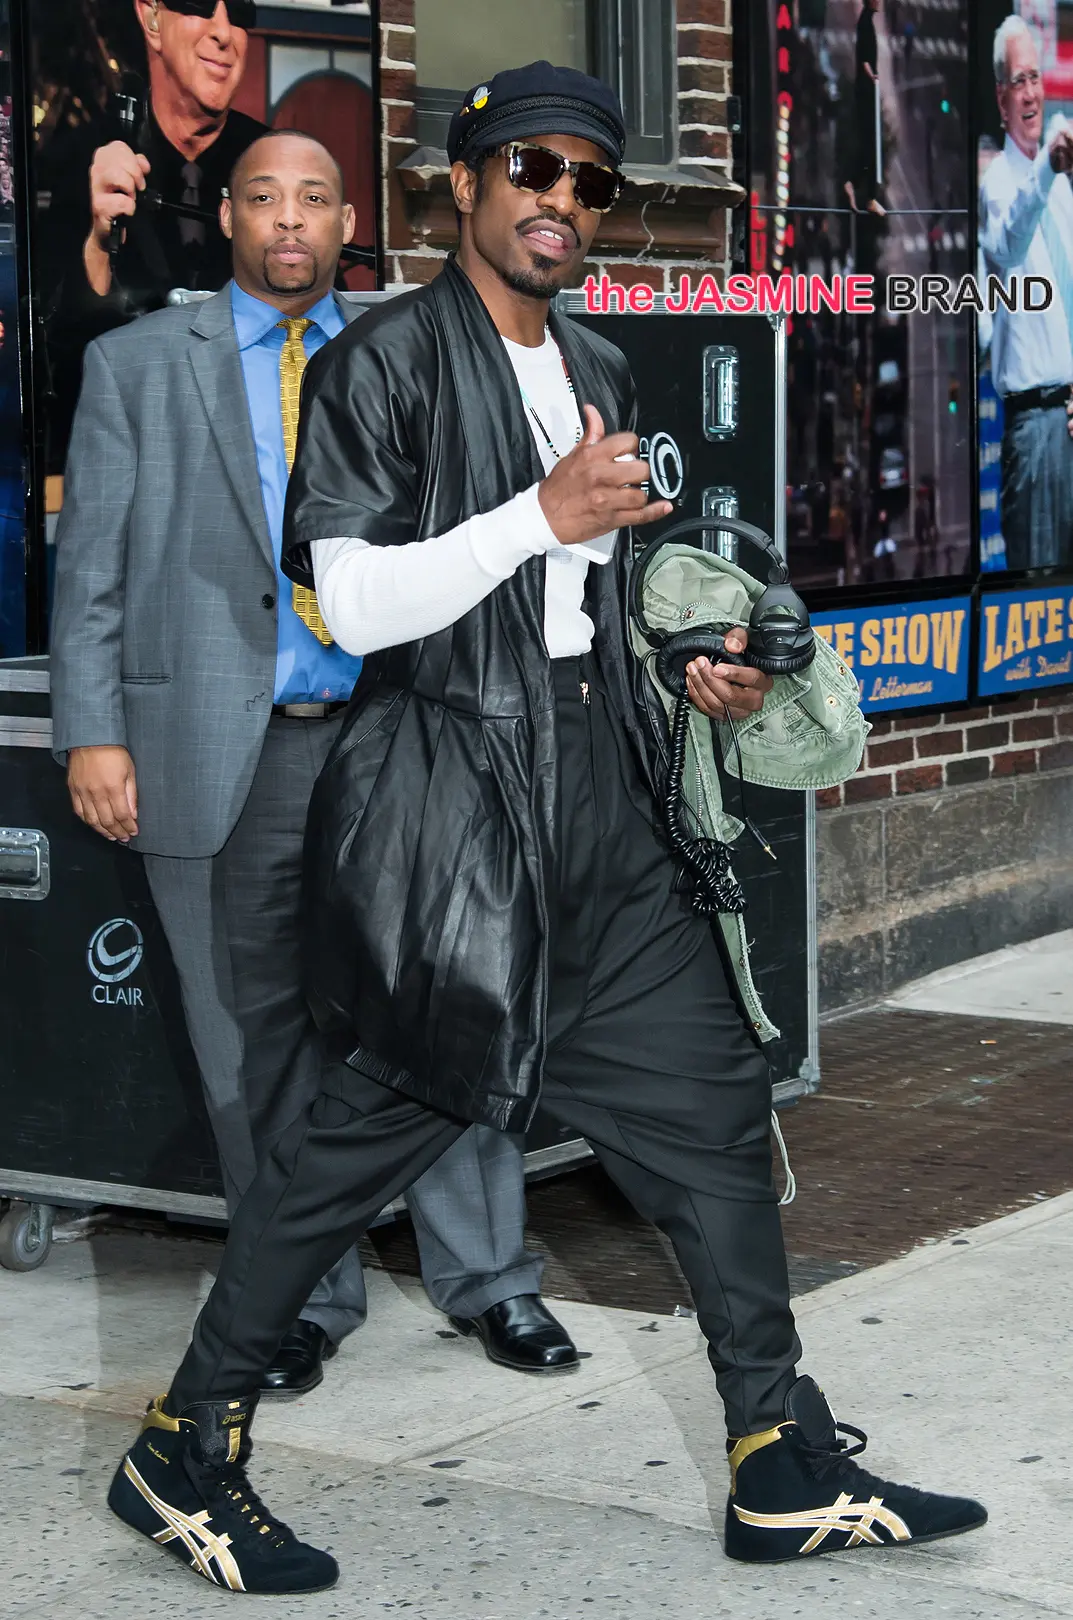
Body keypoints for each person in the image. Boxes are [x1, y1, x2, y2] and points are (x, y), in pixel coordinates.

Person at [105, 65, 986, 1594]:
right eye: (533, 167)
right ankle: (186, 1444)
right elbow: (353, 596)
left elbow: (587, 608)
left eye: (591, 182)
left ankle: (775, 1453)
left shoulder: (595, 366)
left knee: (714, 1112)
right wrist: (541, 516)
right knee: (337, 1156)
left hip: (600, 801)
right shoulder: (380, 361)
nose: (562, 201)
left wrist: (687, 669)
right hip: (447, 813)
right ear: (463, 182)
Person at [50, 128, 577, 1401]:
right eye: (263, 198)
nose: (290, 221)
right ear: (226, 216)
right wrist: (94, 731)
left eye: (315, 200)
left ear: (352, 223)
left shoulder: (414, 352)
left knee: (451, 1009)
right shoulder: (134, 366)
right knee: (251, 1048)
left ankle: (491, 1280)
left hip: (404, 735)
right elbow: (93, 572)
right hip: (216, 751)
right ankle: (297, 1295)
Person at [39, 1, 267, 470]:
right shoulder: (75, 161)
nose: (225, 33)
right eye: (200, 5)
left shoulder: (275, 163)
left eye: (239, 9)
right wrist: (100, 243)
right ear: (151, 18)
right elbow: (54, 359)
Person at [979, 14, 1073, 570]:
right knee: (1036, 602)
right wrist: (1048, 173)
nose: (1031, 92)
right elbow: (1010, 244)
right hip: (1036, 432)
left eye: (1035, 77)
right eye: (1018, 81)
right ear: (1001, 97)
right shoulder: (1001, 185)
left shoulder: (1061, 186)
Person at [845, 0, 887, 216]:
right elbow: (863, 57)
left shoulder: (867, 20)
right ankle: (869, 196)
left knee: (868, 142)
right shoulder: (864, 22)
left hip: (867, 87)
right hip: (866, 87)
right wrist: (872, 76)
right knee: (871, 142)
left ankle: (853, 182)